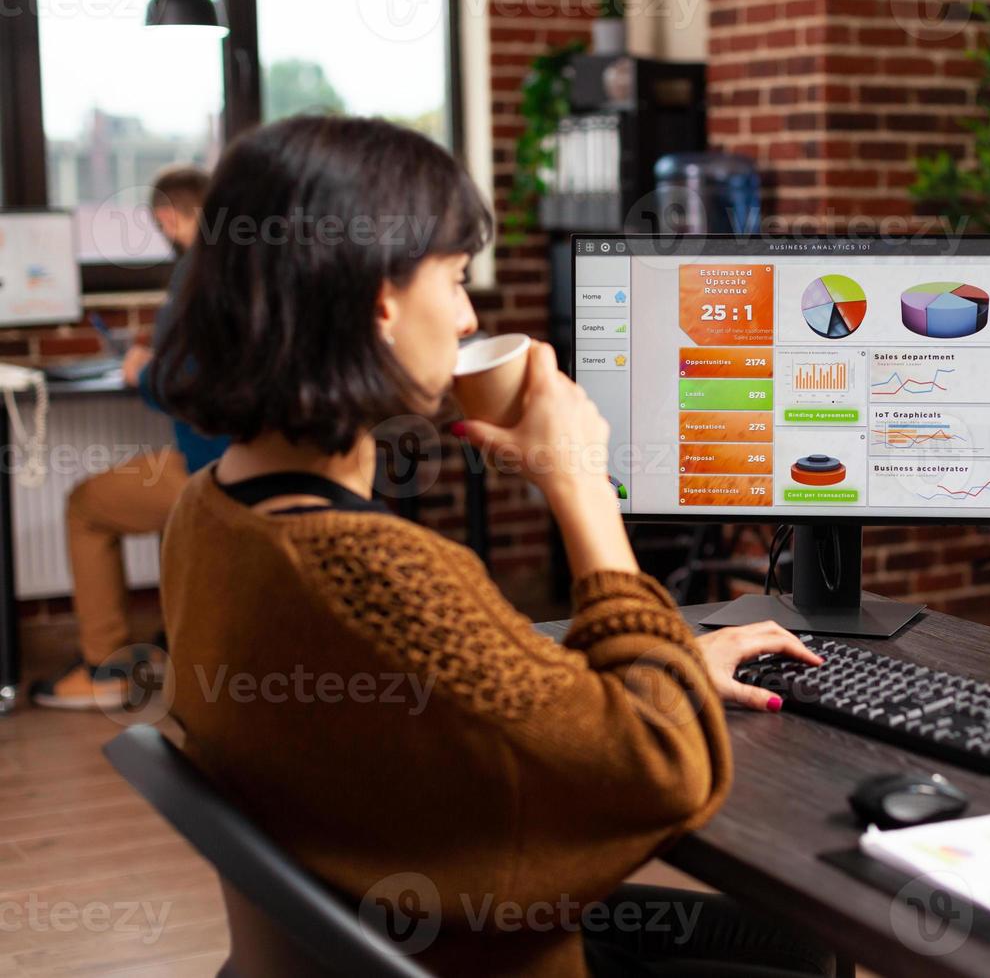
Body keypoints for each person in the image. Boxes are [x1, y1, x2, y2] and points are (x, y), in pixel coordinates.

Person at [153, 115, 834, 977]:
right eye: (458, 278)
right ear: (382, 299)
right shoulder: (377, 575)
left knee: (783, 944)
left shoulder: (204, 515)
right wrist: (581, 485)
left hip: (386, 925)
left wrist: (668, 665)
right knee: (801, 956)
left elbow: (495, 703)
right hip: (478, 953)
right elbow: (665, 769)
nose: (471, 315)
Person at [30, 165, 230, 710]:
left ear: (167, 215)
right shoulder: (243, 270)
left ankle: (107, 669)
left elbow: (183, 388)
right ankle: (173, 645)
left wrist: (142, 370)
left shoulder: (194, 277)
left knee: (86, 505)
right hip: (247, 456)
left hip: (215, 470)